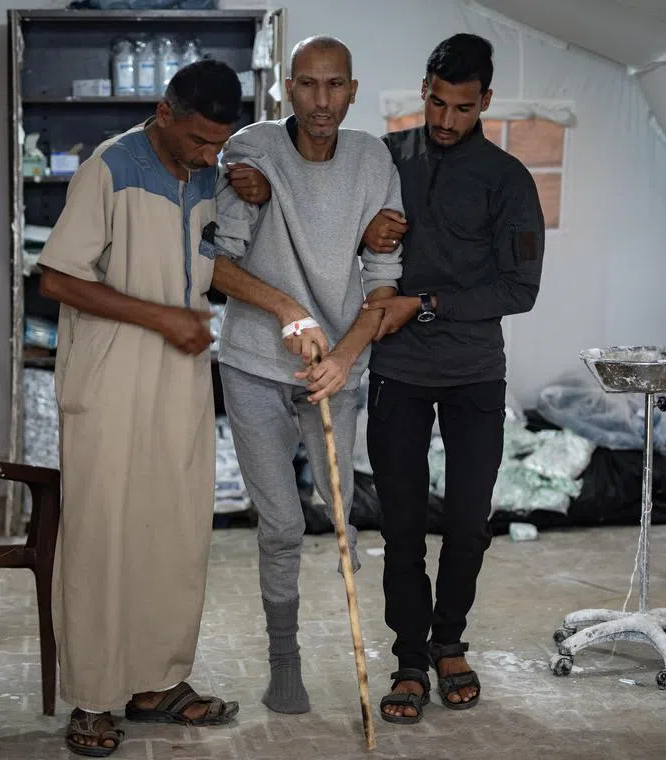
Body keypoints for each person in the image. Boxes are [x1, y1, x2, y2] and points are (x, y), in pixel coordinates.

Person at [37, 59, 243, 757]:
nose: (209, 156)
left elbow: (210, 262)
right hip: (111, 379)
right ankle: (93, 698)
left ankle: (157, 684)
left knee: (175, 531)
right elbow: (57, 278)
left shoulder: (209, 174)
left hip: (179, 378)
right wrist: (162, 317)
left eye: (219, 143)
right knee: (104, 535)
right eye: (199, 141)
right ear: (163, 113)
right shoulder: (111, 167)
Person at [209, 36, 403, 715]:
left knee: (342, 514)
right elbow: (216, 265)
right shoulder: (251, 150)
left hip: (337, 365)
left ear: (353, 90)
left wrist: (345, 357)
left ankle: (361, 643)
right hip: (256, 361)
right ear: (287, 88)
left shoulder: (372, 159)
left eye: (335, 85)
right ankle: (283, 664)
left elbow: (383, 281)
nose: (322, 101)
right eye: (309, 85)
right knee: (282, 525)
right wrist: (288, 309)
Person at [361, 33, 546, 719]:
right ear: (424, 90)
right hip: (398, 369)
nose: (445, 120)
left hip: (474, 373)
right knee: (402, 526)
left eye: (463, 108)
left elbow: (520, 289)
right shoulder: (384, 157)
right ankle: (410, 658)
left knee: (468, 523)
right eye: (437, 103)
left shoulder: (508, 179)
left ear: (485, 101)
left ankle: (449, 643)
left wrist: (425, 303)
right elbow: (336, 226)